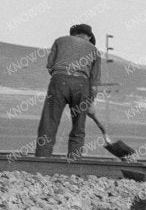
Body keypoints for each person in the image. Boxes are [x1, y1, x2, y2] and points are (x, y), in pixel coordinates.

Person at [35, 23, 104, 158]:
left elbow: (50, 67)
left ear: (72, 34)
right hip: (82, 85)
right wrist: (90, 103)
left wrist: (62, 77)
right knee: (78, 127)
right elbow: (94, 85)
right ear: (89, 37)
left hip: (59, 81)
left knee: (49, 123)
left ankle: (41, 160)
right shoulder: (94, 51)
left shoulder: (59, 41)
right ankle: (74, 162)